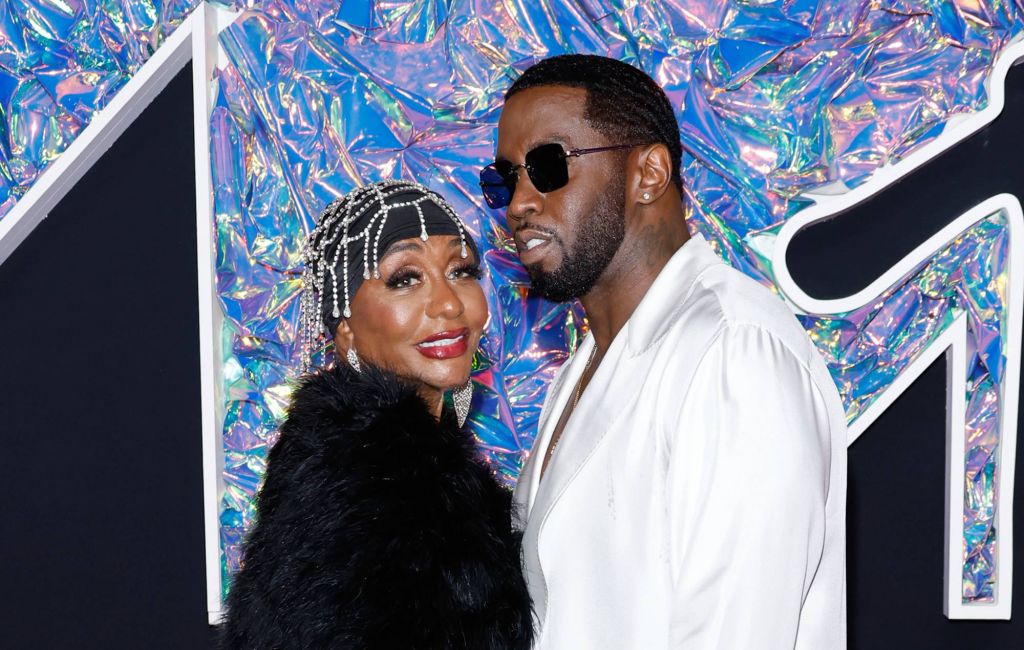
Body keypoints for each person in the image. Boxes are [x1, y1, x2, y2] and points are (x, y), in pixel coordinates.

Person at [480, 54, 847, 649]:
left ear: (649, 173)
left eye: (548, 165)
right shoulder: (589, 363)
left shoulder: (733, 354)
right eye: (504, 177)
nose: (519, 202)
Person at [220, 180, 533, 650]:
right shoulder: (360, 484)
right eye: (405, 279)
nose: (449, 303)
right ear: (345, 329)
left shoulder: (421, 472)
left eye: (462, 270)